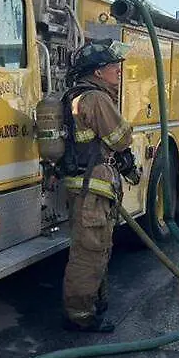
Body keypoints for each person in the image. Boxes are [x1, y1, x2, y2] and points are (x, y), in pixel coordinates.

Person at [59, 40, 140, 332]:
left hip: (89, 190)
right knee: (89, 254)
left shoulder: (78, 96)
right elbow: (120, 138)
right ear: (96, 72)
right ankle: (81, 317)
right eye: (111, 67)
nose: (117, 71)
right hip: (91, 191)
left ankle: (94, 305)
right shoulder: (95, 99)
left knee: (97, 248)